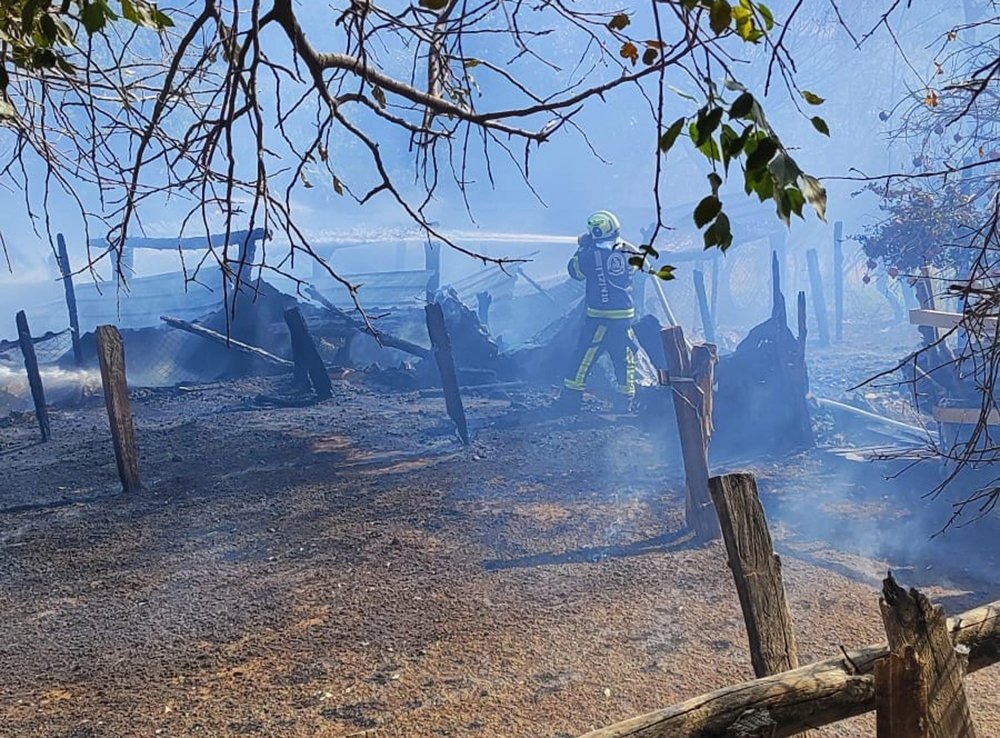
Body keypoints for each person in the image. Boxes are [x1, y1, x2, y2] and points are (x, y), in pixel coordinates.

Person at [556, 210, 639, 413]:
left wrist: (582, 247)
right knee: (625, 359)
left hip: (599, 318)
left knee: (584, 357)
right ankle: (624, 403)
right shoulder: (628, 250)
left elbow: (575, 272)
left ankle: (570, 401)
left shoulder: (588, 255)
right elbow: (639, 265)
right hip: (624, 319)